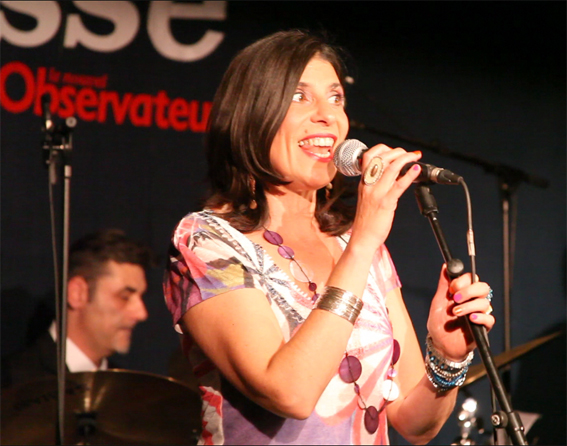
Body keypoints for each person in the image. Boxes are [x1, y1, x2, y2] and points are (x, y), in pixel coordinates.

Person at [163, 30, 495, 445]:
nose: (327, 116)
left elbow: (414, 425)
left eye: (336, 98)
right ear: (250, 116)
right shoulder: (207, 242)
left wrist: (447, 359)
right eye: (299, 96)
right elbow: (289, 393)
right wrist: (362, 244)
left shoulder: (357, 245)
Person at [2, 229, 153, 388]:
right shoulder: (12, 381)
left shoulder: (132, 390)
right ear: (77, 293)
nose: (141, 314)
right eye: (124, 297)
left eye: (141, 297)